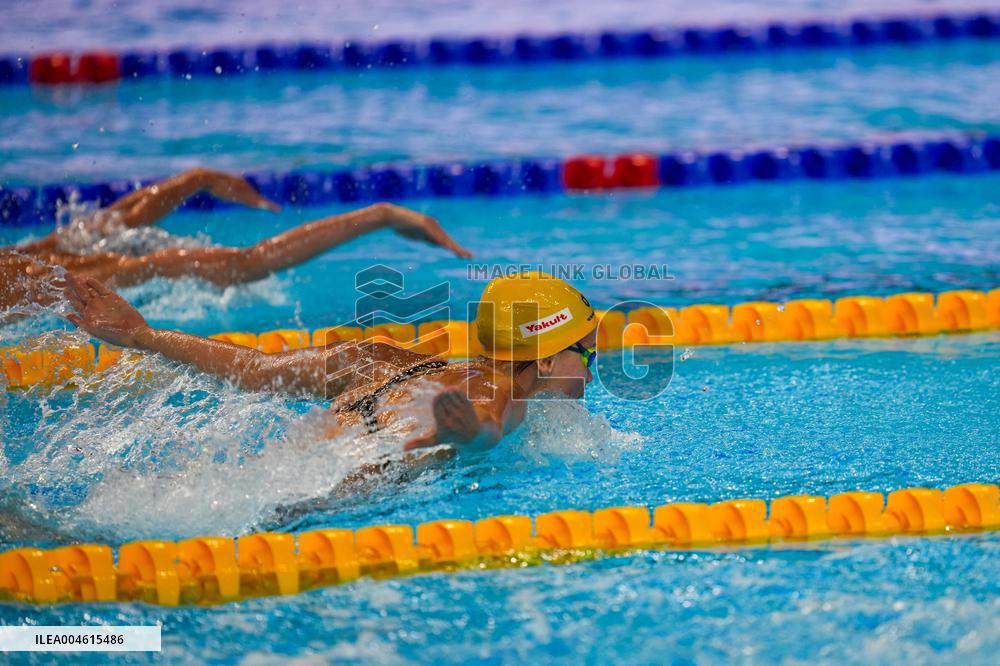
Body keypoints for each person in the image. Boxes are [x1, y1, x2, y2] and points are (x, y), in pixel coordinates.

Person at [64, 270, 598, 451]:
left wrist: (143, 335)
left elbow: (254, 370)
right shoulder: (503, 391)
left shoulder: (378, 358)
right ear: (546, 361)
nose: (593, 367)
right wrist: (466, 434)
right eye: (585, 350)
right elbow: (487, 425)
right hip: (345, 490)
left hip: (286, 463)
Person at [0, 167, 471, 312]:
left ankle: (380, 215)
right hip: (59, 264)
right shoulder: (22, 259)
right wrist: (196, 179)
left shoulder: (40, 276)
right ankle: (381, 215)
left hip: (87, 276)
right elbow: (118, 220)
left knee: (245, 264)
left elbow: (249, 263)